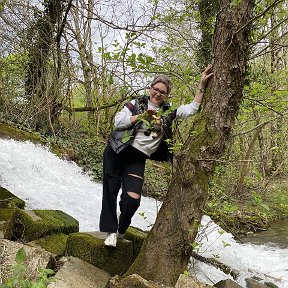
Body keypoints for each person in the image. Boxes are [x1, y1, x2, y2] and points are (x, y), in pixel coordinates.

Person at [99, 64, 214, 247]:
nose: (158, 93)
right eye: (155, 89)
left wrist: (202, 83)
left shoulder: (169, 112)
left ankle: (121, 229)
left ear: (166, 95)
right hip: (116, 150)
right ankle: (111, 232)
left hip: (137, 158)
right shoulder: (135, 104)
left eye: (162, 92)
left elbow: (193, 108)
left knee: (133, 199)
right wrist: (142, 116)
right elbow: (118, 122)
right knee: (110, 192)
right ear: (150, 88)